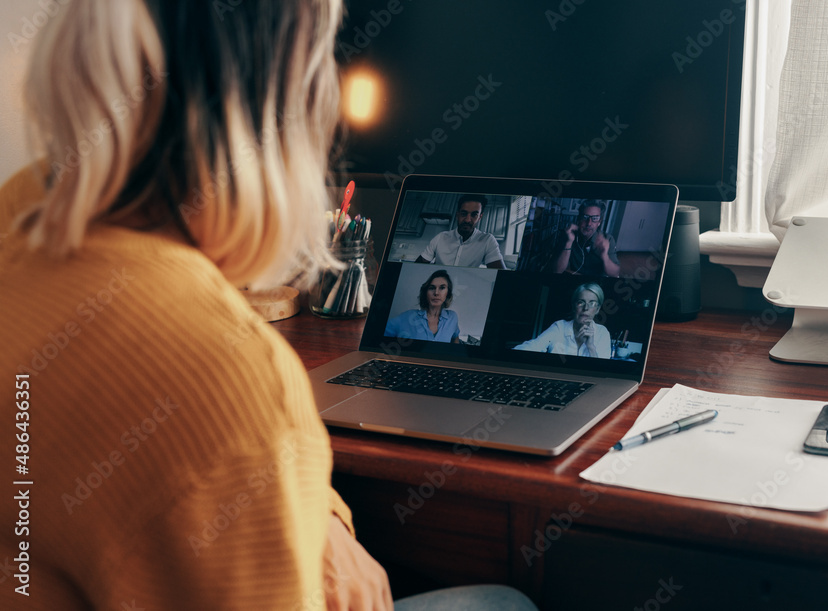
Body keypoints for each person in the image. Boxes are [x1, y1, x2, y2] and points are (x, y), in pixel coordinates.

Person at [0, 1, 535, 610]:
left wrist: (322, 528)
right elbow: (222, 445)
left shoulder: (18, 219)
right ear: (278, 108)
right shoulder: (228, 375)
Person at [514, 283, 612, 358]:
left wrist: (591, 346)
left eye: (592, 303)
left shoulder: (602, 333)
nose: (586, 308)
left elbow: (603, 371)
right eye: (581, 302)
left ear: (598, 309)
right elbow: (533, 346)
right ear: (574, 306)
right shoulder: (560, 327)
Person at [416, 194, 505, 269]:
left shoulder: (488, 240)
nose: (467, 220)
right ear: (457, 214)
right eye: (464, 213)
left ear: (480, 217)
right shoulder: (440, 237)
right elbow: (417, 266)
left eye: (474, 215)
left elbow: (501, 274)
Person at [546, 200, 620, 277]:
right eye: (585, 217)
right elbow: (557, 271)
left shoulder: (608, 239)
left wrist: (604, 255)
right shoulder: (568, 235)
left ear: (599, 222)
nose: (589, 223)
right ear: (579, 219)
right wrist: (569, 242)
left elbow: (615, 274)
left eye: (595, 218)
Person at [385, 270, 461, 343]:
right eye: (432, 288)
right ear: (426, 293)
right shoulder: (408, 317)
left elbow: (455, 336)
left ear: (448, 293)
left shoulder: (452, 317)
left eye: (442, 288)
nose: (436, 293)